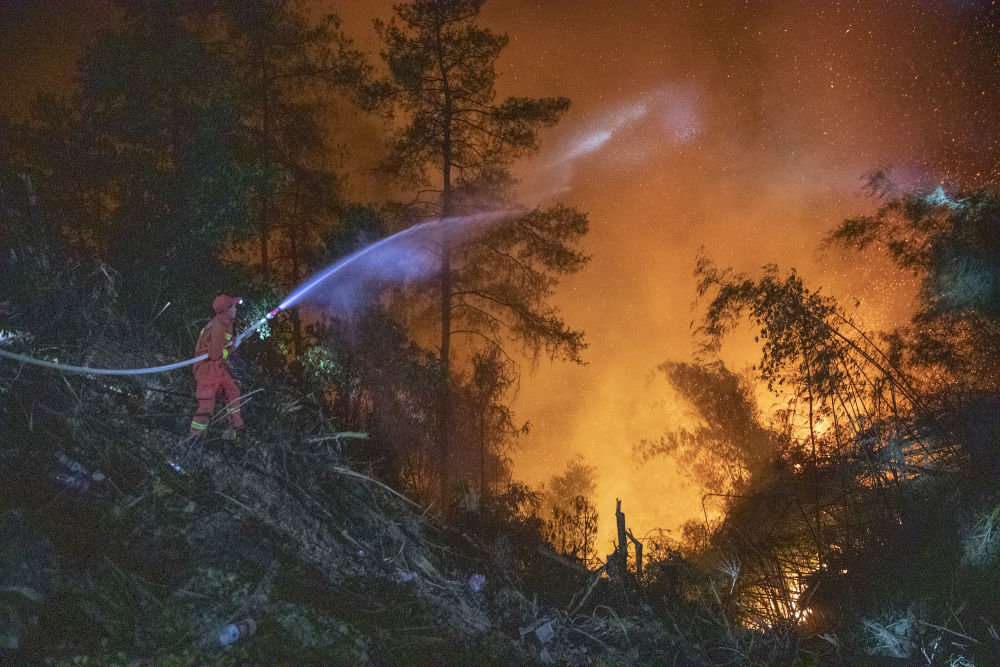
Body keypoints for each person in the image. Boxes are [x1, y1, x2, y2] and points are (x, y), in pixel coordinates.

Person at [188, 295, 245, 441]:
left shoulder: (225, 322)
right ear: (226, 310)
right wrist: (233, 347)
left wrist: (234, 342)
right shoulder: (218, 327)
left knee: (232, 390)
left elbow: (222, 345)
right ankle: (194, 438)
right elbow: (215, 354)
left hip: (216, 367)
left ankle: (235, 426)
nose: (235, 309)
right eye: (233, 306)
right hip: (207, 369)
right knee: (206, 404)